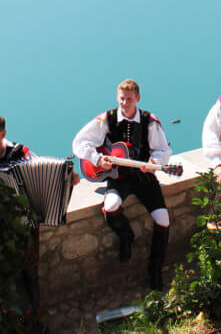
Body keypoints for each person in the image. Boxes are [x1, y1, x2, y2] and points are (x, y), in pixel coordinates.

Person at [73, 79, 172, 290]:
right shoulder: (106, 119)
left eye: (129, 99)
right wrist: (98, 159)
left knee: (163, 220)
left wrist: (155, 163)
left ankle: (155, 270)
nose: (124, 103)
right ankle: (126, 235)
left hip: (144, 177)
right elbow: (79, 142)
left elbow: (163, 151)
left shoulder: (150, 121)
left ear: (137, 98)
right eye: (121, 99)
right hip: (118, 177)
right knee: (110, 206)